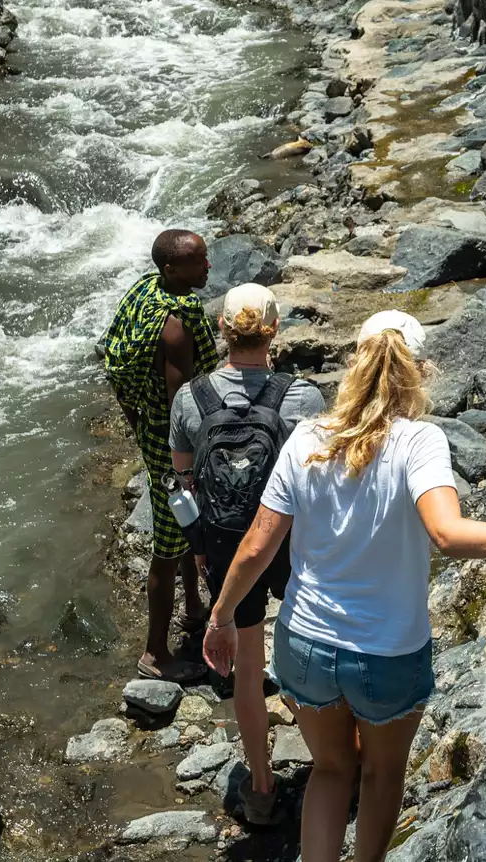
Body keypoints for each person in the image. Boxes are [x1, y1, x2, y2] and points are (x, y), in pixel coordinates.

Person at [202, 310, 486, 862]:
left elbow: (256, 547)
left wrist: (221, 618)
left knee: (329, 769)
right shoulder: (419, 442)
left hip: (305, 645)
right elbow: (447, 533)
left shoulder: (306, 438)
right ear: (419, 371)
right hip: (386, 651)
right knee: (382, 774)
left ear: (355, 365)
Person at [169, 283, 325, 826]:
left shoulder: (191, 399)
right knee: (306, 655)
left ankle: (261, 788)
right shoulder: (302, 397)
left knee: (248, 673)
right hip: (287, 541)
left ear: (222, 331)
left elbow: (184, 476)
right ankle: (334, 759)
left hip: (227, 544)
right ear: (274, 330)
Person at [98, 228, 220, 682]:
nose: (208, 266)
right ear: (173, 269)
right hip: (173, 446)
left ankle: (193, 608)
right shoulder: (175, 327)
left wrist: (136, 424)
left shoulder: (144, 292)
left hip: (149, 431)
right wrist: (187, 467)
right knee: (168, 546)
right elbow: (180, 404)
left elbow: (112, 359)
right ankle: (155, 654)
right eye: (199, 260)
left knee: (186, 528)